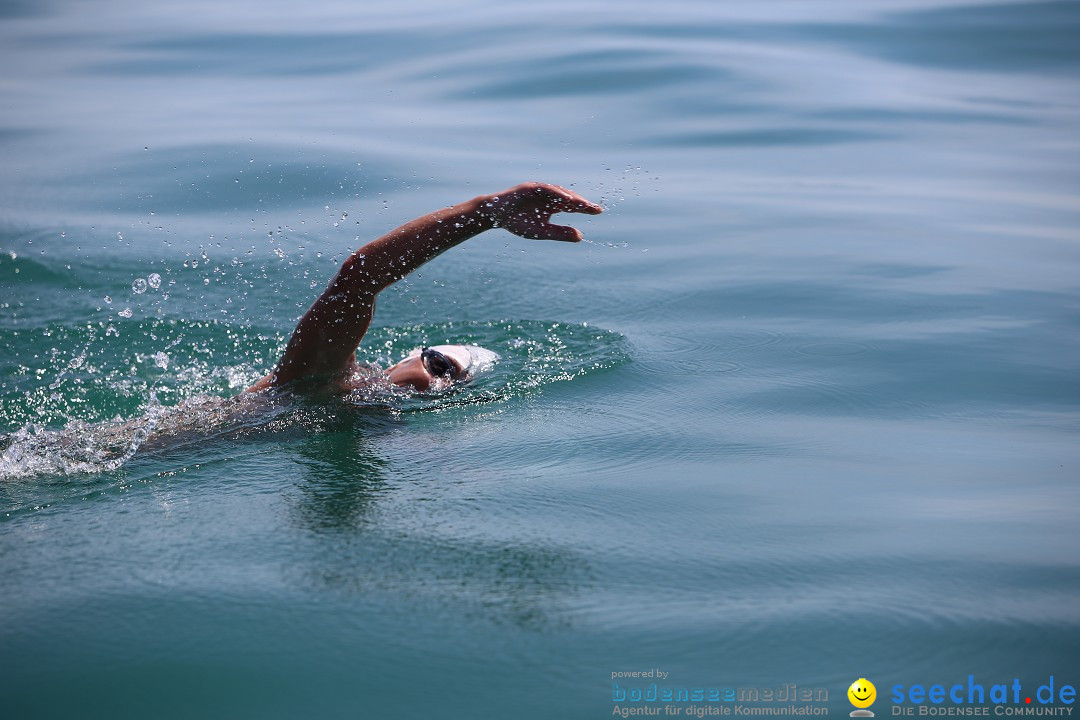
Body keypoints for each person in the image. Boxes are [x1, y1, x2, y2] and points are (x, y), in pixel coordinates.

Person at [246, 182, 604, 394]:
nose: (438, 385)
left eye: (454, 386)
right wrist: (483, 214)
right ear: (401, 361)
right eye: (439, 365)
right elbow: (359, 278)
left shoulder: (375, 420)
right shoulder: (315, 383)